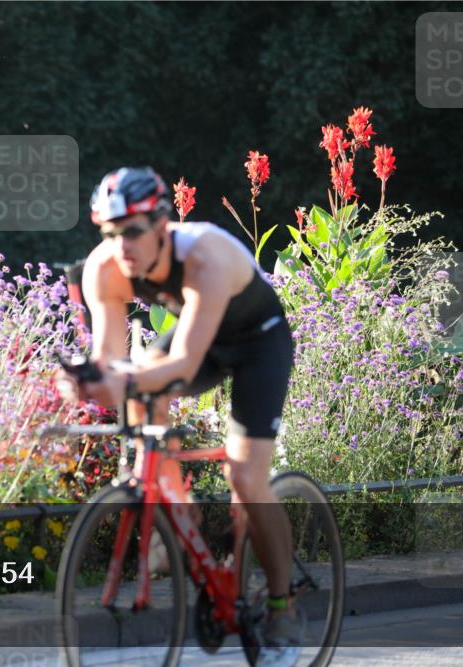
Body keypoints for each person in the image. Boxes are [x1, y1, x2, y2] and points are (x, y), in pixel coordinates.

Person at [56, 166, 301, 667]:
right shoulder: (105, 267)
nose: (121, 244)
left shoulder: (205, 255)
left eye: (132, 232)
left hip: (258, 341)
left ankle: (282, 610)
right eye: (110, 233)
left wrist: (119, 380)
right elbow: (111, 359)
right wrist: (84, 378)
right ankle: (169, 507)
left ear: (162, 224)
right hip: (205, 339)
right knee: (140, 371)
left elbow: (185, 363)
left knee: (247, 476)